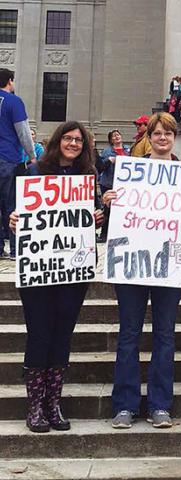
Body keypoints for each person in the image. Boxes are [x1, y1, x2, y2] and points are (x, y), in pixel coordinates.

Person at [103, 113, 181, 429]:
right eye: (157, 133)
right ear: (148, 137)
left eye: (168, 133)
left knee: (165, 335)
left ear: (174, 137)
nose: (163, 137)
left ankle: (160, 404)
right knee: (129, 335)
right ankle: (125, 405)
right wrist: (108, 198)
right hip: (132, 264)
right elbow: (112, 211)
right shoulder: (129, 174)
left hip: (170, 266)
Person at [9, 121, 104, 433]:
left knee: (63, 333)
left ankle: (53, 404)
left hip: (72, 271)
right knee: (39, 333)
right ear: (58, 141)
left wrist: (96, 218)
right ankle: (34, 404)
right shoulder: (34, 172)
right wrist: (14, 220)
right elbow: (18, 213)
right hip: (39, 269)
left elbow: (86, 224)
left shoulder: (86, 178)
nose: (74, 144)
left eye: (78, 140)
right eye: (69, 138)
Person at [0, 68, 37, 260]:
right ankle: (15, 250)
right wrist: (32, 155)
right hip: (7, 159)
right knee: (11, 206)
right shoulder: (14, 101)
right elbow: (23, 131)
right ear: (10, 81)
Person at [98, 130, 130, 242]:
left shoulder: (128, 149)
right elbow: (101, 166)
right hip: (108, 183)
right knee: (107, 209)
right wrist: (109, 161)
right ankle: (104, 234)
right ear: (111, 140)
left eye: (118, 135)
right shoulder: (107, 152)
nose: (116, 137)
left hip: (124, 184)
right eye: (114, 136)